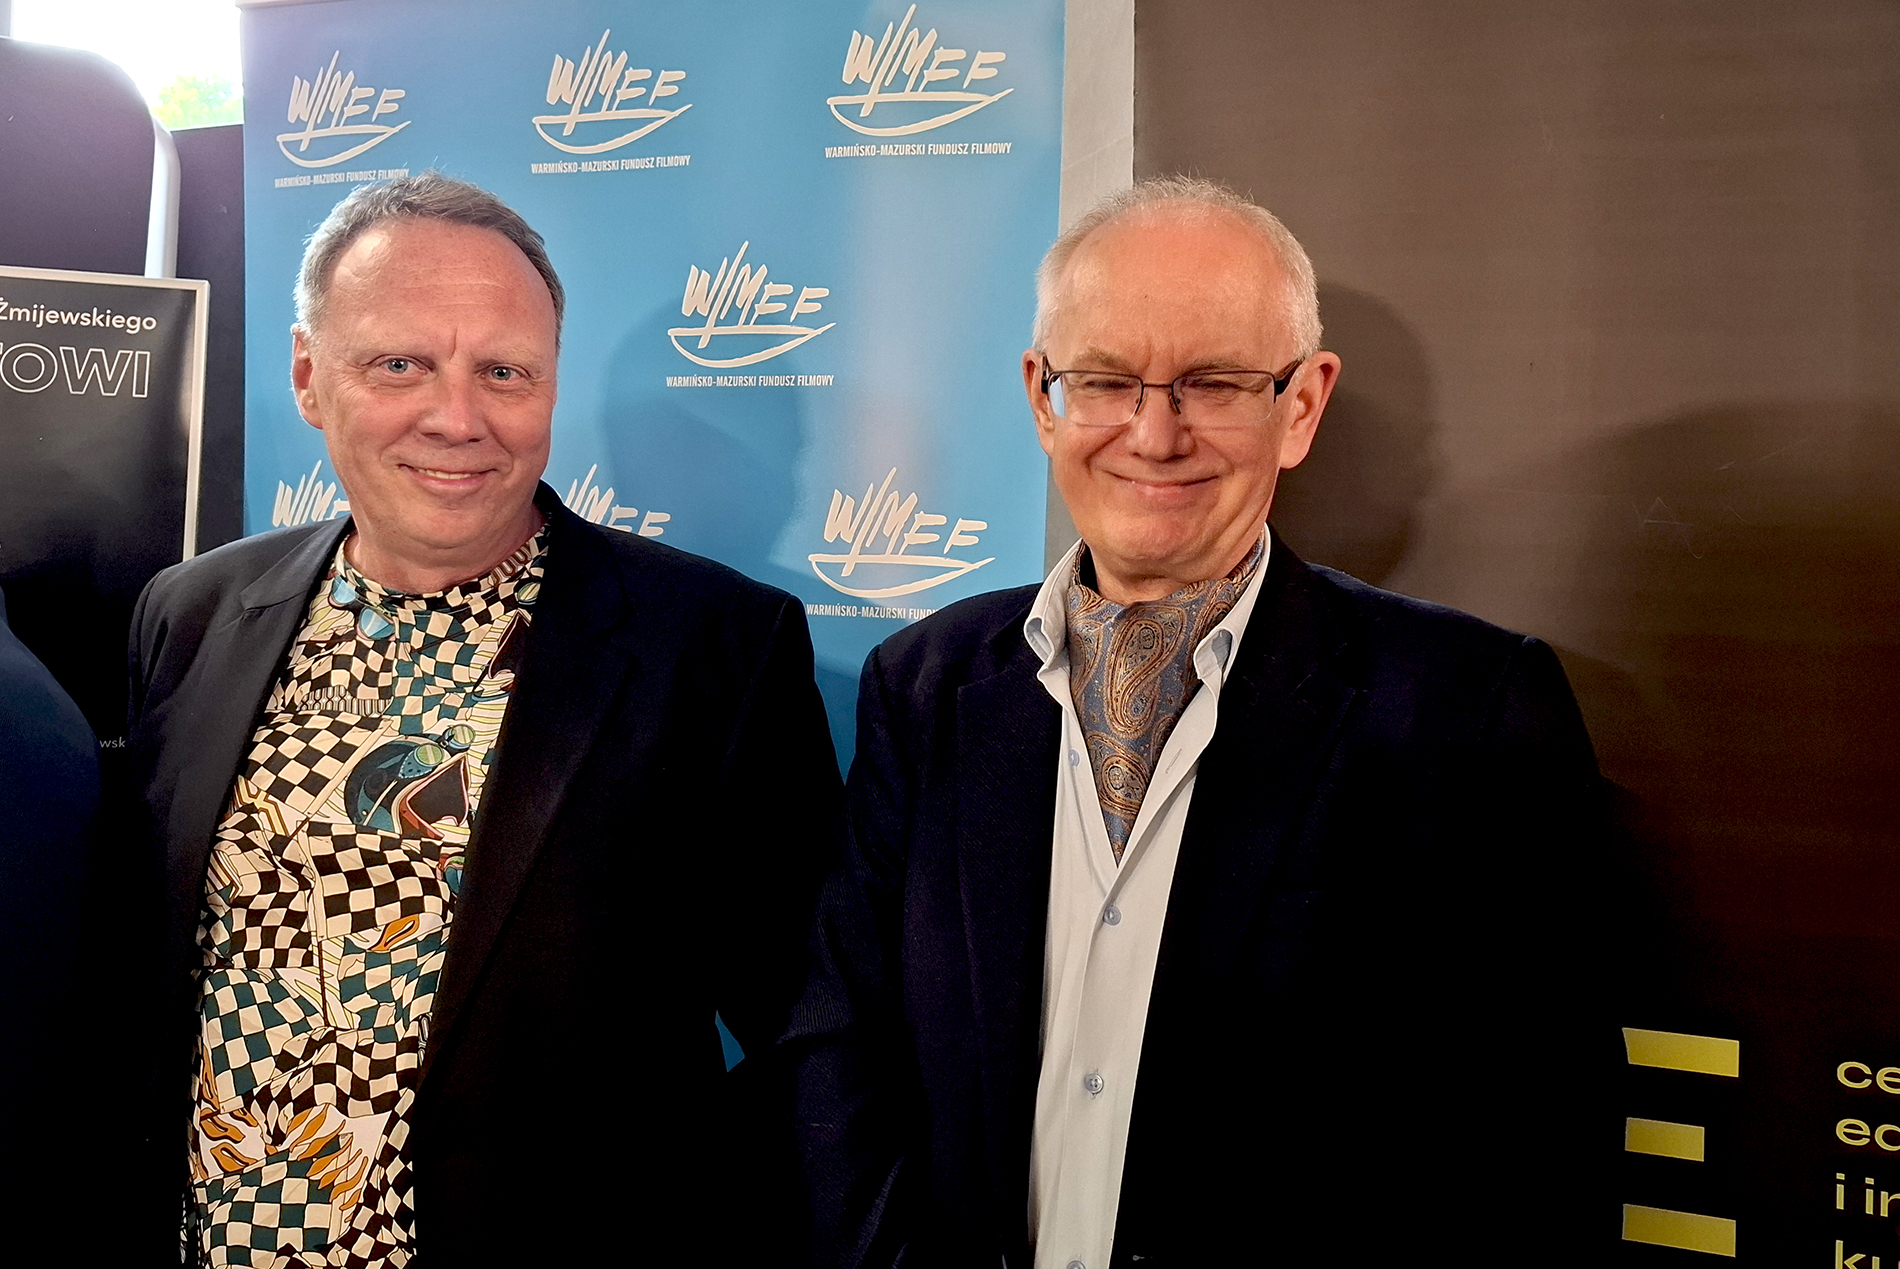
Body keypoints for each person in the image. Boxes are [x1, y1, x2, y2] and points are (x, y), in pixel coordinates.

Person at [784, 177, 1611, 1267]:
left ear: (1302, 405)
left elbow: (1538, 1144)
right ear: (1042, 397)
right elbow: (841, 1045)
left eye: (1213, 383)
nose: (1153, 433)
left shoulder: (1468, 710)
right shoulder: (925, 685)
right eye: (1105, 380)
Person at [122, 173, 840, 1264]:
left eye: (504, 372)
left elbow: (814, 1036)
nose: (457, 418)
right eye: (399, 364)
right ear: (309, 376)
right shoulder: (190, 615)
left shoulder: (716, 650)